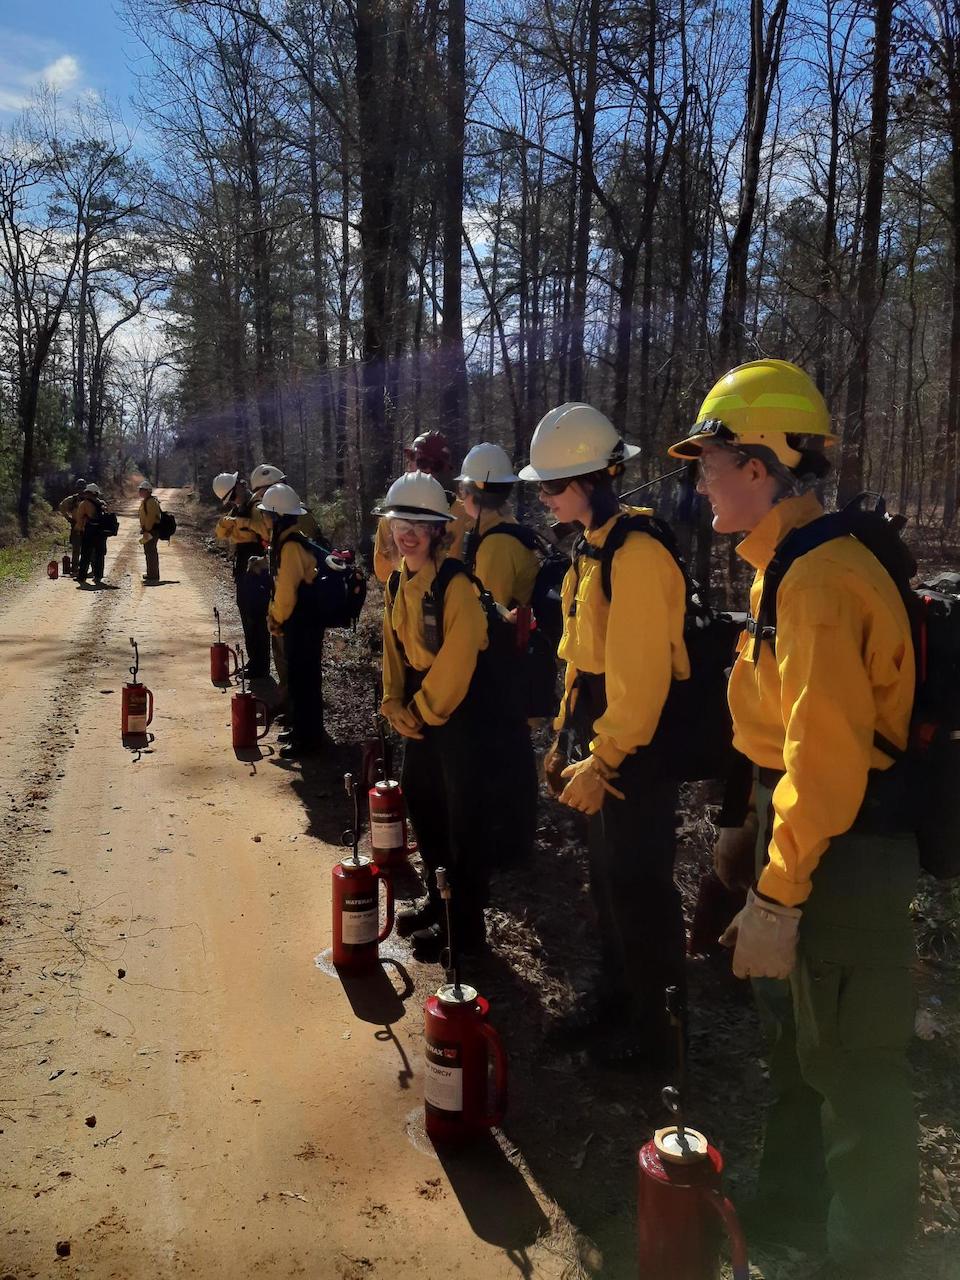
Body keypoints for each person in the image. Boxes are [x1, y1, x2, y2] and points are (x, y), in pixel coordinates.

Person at [668, 358, 917, 1278]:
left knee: (854, 1074)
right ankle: (791, 1221)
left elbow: (830, 760)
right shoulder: (784, 570)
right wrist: (749, 834)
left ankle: (867, 1260)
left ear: (763, 466)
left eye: (713, 461)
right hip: (806, 838)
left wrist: (778, 893)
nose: (701, 480)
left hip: (845, 851)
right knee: (800, 1049)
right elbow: (778, 735)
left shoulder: (816, 582)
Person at [519, 402, 690, 1070]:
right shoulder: (591, 548)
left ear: (593, 479)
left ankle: (657, 1041)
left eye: (553, 486)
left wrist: (606, 756)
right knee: (608, 880)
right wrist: (566, 739)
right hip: (604, 734)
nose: (543, 497)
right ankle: (618, 999)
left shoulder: (637, 554)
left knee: (641, 887)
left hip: (636, 749)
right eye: (541, 486)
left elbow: (641, 678)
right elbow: (582, 660)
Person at [377, 470, 508, 960]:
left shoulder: (457, 587)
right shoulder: (396, 583)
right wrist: (393, 701)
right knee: (425, 804)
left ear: (437, 531)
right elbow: (394, 650)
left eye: (419, 523)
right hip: (420, 710)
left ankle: (468, 933)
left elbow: (458, 659)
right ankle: (439, 903)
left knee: (463, 821)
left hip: (461, 717)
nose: (407, 532)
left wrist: (420, 711)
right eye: (399, 521)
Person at [456, 441, 540, 866]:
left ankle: (509, 843)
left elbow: (486, 615)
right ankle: (511, 836)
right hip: (512, 663)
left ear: (473, 494)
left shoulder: (495, 545)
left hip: (504, 667)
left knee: (506, 751)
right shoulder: (508, 533)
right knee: (511, 749)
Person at [259, 482, 325, 760]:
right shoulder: (288, 541)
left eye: (266, 514)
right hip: (303, 621)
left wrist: (275, 619)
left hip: (302, 623)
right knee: (300, 679)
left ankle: (307, 739)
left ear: (276, 516)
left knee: (303, 680)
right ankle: (301, 729)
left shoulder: (289, 547)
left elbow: (286, 594)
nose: (263, 518)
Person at [373, 430, 467, 582]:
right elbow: (383, 572)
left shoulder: (465, 514)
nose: (428, 470)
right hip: (402, 601)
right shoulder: (390, 517)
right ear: (410, 462)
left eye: (435, 465)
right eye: (422, 462)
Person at [214, 471, 272, 680]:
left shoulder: (257, 505)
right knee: (246, 615)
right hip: (242, 566)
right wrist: (226, 524)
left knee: (255, 616)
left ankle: (261, 666)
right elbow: (221, 534)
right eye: (229, 500)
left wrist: (245, 524)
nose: (233, 501)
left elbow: (267, 533)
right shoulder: (239, 507)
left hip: (256, 568)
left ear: (240, 485)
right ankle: (254, 661)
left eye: (233, 496)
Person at [74, 483, 109, 585]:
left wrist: (78, 529)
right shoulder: (103, 503)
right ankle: (98, 576)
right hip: (101, 532)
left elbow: (79, 519)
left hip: (89, 531)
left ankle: (81, 577)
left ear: (88, 493)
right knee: (99, 555)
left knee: (85, 555)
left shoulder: (84, 504)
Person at [58, 477, 86, 575]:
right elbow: (61, 506)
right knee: (80, 549)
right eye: (80, 488)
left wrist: (68, 518)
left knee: (78, 549)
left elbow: (61, 506)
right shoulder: (76, 499)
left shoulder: (74, 499)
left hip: (79, 526)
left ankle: (77, 569)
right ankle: (77, 569)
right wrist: (68, 518)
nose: (81, 490)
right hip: (81, 526)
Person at [138, 482, 161, 582]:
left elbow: (150, 518)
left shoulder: (151, 502)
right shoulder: (147, 501)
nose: (140, 492)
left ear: (147, 491)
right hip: (149, 530)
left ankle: (153, 575)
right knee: (149, 552)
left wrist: (147, 530)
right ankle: (151, 573)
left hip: (151, 530)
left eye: (141, 490)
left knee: (150, 552)